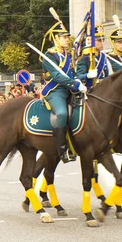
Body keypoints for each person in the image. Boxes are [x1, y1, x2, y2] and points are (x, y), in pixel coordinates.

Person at [40, 12, 87, 163]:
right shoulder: (49, 56)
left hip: (70, 89)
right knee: (61, 113)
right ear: (56, 38)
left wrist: (81, 80)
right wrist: (74, 84)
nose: (67, 39)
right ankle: (62, 150)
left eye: (67, 37)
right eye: (64, 37)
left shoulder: (68, 55)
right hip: (56, 91)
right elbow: (57, 76)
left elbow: (72, 73)